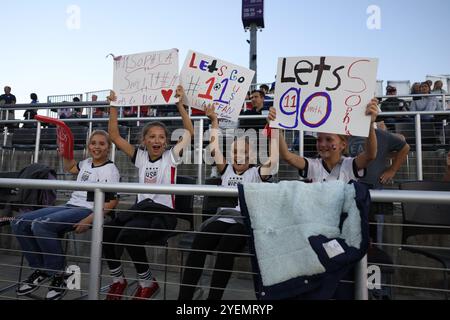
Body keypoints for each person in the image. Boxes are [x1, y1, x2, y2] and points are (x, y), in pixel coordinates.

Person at [103, 85, 194, 300]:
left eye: (161, 137)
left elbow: (189, 132)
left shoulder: (171, 157)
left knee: (128, 234)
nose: (156, 141)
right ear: (144, 141)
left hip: (162, 215)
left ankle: (147, 282)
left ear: (166, 141)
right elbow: (114, 136)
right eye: (151, 137)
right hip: (141, 213)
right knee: (107, 231)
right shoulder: (140, 157)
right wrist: (114, 106)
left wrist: (179, 104)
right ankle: (118, 280)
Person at [178, 104, 277, 300]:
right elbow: (214, 147)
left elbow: (273, 161)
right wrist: (214, 121)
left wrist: (273, 127)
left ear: (254, 156)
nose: (240, 155)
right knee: (199, 243)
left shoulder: (256, 173)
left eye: (245, 152)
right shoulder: (227, 169)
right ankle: (184, 298)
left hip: (243, 221)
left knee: (226, 247)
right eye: (236, 151)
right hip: (222, 218)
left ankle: (213, 299)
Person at [10, 130, 120, 300]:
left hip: (87, 210)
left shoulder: (110, 170)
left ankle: (58, 275)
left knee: (41, 224)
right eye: (93, 143)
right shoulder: (86, 163)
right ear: (88, 146)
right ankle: (41, 270)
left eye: (102, 144)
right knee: (19, 222)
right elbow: (70, 167)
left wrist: (89, 219)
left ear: (108, 148)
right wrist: (65, 153)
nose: (96, 147)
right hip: (71, 205)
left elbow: (111, 203)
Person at [267, 98, 379, 183]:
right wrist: (277, 129)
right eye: (319, 139)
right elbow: (287, 156)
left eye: (329, 139)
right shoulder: (312, 165)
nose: (322, 144)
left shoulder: (349, 165)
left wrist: (370, 124)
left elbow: (370, 155)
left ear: (343, 145)